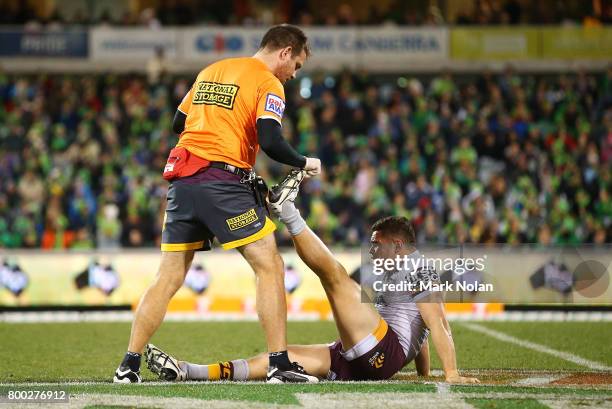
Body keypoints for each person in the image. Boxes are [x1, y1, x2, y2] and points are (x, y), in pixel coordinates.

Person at [113, 24, 322, 384]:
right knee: (269, 265)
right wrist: (305, 162)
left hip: (182, 182)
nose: (294, 74)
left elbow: (180, 122)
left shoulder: (212, 70)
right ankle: (278, 364)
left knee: (168, 276)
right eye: (297, 65)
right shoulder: (268, 82)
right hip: (222, 184)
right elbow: (271, 141)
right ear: (285, 52)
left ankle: (127, 366)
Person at [144, 170, 479, 384]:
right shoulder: (401, 272)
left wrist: (450, 373)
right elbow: (418, 332)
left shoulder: (418, 268)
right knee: (280, 358)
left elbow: (438, 322)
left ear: (399, 245)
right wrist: (422, 374)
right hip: (364, 360)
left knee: (336, 278)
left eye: (377, 245)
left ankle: (288, 211)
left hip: (381, 350)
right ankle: (191, 371)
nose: (373, 251)